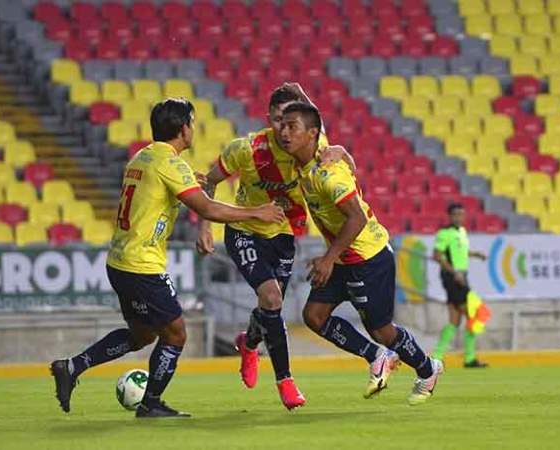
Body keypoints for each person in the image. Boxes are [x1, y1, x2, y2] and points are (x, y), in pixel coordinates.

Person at [50, 98, 285, 418]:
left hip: (119, 261)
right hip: (142, 265)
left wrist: (195, 189)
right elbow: (207, 208)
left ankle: (72, 366)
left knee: (143, 335)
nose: (193, 128)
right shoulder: (171, 164)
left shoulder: (142, 157)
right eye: (191, 122)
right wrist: (257, 211)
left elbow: (166, 192)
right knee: (175, 334)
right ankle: (151, 403)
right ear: (182, 128)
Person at [196, 83, 354, 410]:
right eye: (279, 119)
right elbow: (209, 180)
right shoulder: (247, 148)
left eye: (290, 120)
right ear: (268, 117)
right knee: (271, 297)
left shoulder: (310, 147)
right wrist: (205, 226)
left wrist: (342, 151)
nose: (284, 128)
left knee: (270, 307)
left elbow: (323, 131)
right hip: (243, 230)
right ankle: (285, 381)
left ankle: (248, 343)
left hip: (282, 233)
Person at [279, 102, 443, 405]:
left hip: (368, 257)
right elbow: (316, 116)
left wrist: (328, 258)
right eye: (282, 125)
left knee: (382, 330)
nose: (283, 132)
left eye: (292, 127)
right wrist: (296, 93)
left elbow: (357, 218)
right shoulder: (312, 153)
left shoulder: (329, 174)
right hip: (343, 257)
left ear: (311, 134)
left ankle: (428, 368)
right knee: (314, 316)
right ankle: (377, 356)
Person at [432, 203, 489, 368]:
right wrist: (454, 272)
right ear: (449, 216)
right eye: (456, 214)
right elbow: (437, 255)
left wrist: (476, 254)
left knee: (455, 320)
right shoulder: (444, 233)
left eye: (462, 214)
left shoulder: (462, 232)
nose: (459, 217)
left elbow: (460, 252)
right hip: (452, 278)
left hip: (461, 276)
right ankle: (469, 358)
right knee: (474, 314)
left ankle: (437, 356)